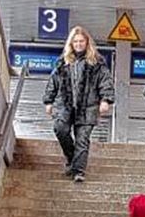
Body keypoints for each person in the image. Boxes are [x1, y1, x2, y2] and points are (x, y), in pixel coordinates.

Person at [43, 26, 115, 182]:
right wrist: (48, 101)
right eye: (75, 41)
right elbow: (53, 82)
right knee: (60, 129)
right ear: (71, 43)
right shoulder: (63, 62)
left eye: (81, 41)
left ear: (87, 42)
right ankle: (71, 158)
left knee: (82, 139)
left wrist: (105, 100)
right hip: (65, 106)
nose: (78, 44)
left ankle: (78, 171)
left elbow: (106, 82)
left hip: (87, 107)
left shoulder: (97, 63)